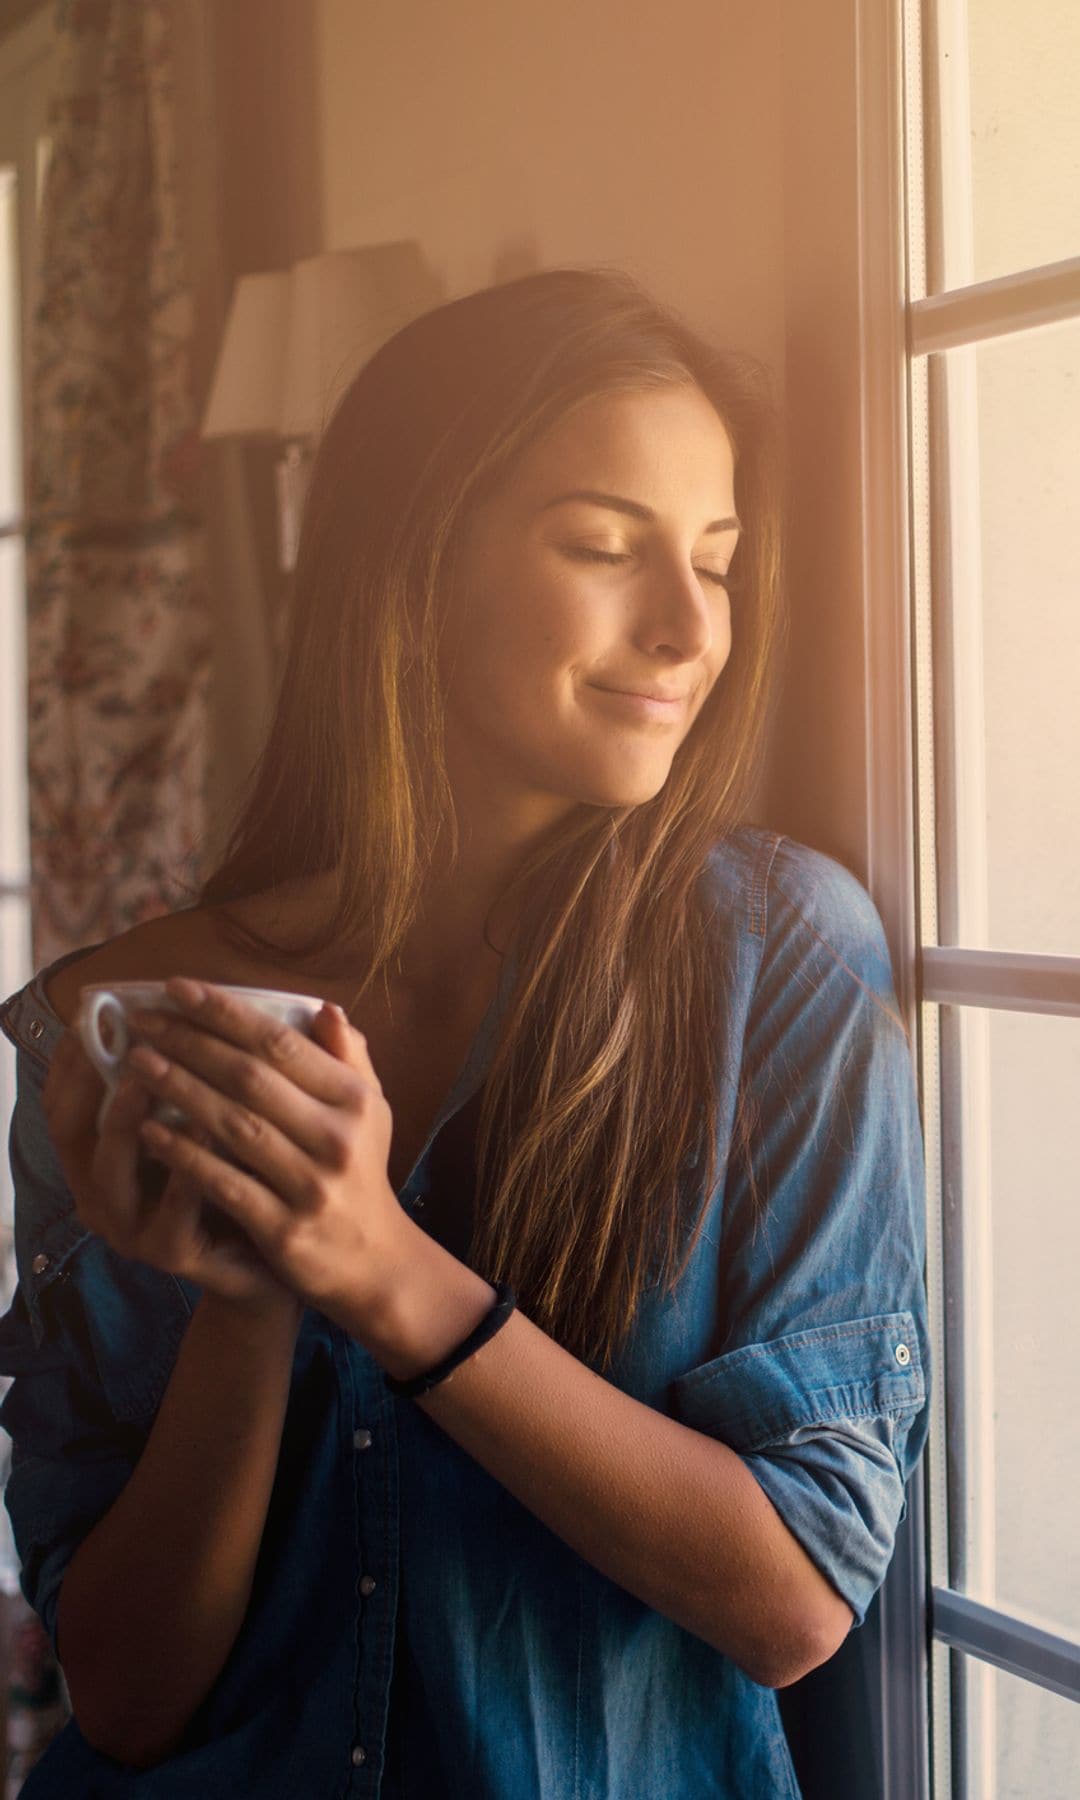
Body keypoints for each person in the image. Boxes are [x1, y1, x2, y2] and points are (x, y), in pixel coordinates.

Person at [0, 265, 930, 1798]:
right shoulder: (128, 1026)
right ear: (413, 562)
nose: (688, 626)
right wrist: (250, 1298)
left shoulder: (773, 956)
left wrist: (383, 1272)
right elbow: (127, 1698)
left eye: (718, 558)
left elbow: (796, 1598)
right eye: (601, 545)